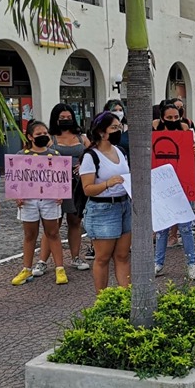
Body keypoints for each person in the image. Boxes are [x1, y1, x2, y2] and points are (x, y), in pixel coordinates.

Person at [11, 121, 68, 287]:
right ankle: (26, 269)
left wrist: (61, 193)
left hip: (50, 199)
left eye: (45, 133)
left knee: (53, 233)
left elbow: (61, 178)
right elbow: (15, 178)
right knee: (30, 235)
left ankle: (59, 268)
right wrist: (17, 196)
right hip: (29, 200)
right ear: (30, 137)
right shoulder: (21, 155)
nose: (43, 136)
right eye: (38, 134)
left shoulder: (55, 155)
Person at [79, 112, 132, 292]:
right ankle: (102, 300)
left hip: (124, 205)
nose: (118, 130)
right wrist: (107, 184)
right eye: (114, 128)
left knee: (123, 255)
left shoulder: (120, 151)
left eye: (119, 127)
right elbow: (87, 189)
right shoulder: (90, 156)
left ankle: (125, 298)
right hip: (103, 209)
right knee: (103, 257)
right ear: (102, 132)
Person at [36, 103, 90, 275]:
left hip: (77, 185)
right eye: (62, 118)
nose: (66, 121)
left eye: (69, 118)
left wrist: (83, 164)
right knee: (53, 225)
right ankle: (42, 261)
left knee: (75, 222)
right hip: (55, 186)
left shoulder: (82, 138)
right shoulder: (50, 138)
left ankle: (75, 257)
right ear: (55, 119)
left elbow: (93, 154)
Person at [153, 101, 195, 281]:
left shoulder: (187, 133)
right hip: (161, 185)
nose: (173, 120)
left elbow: (194, 163)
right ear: (162, 118)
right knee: (162, 227)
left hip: (183, 184)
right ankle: (158, 263)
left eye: (176, 117)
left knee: (185, 227)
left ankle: (191, 263)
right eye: (169, 118)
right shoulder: (154, 134)